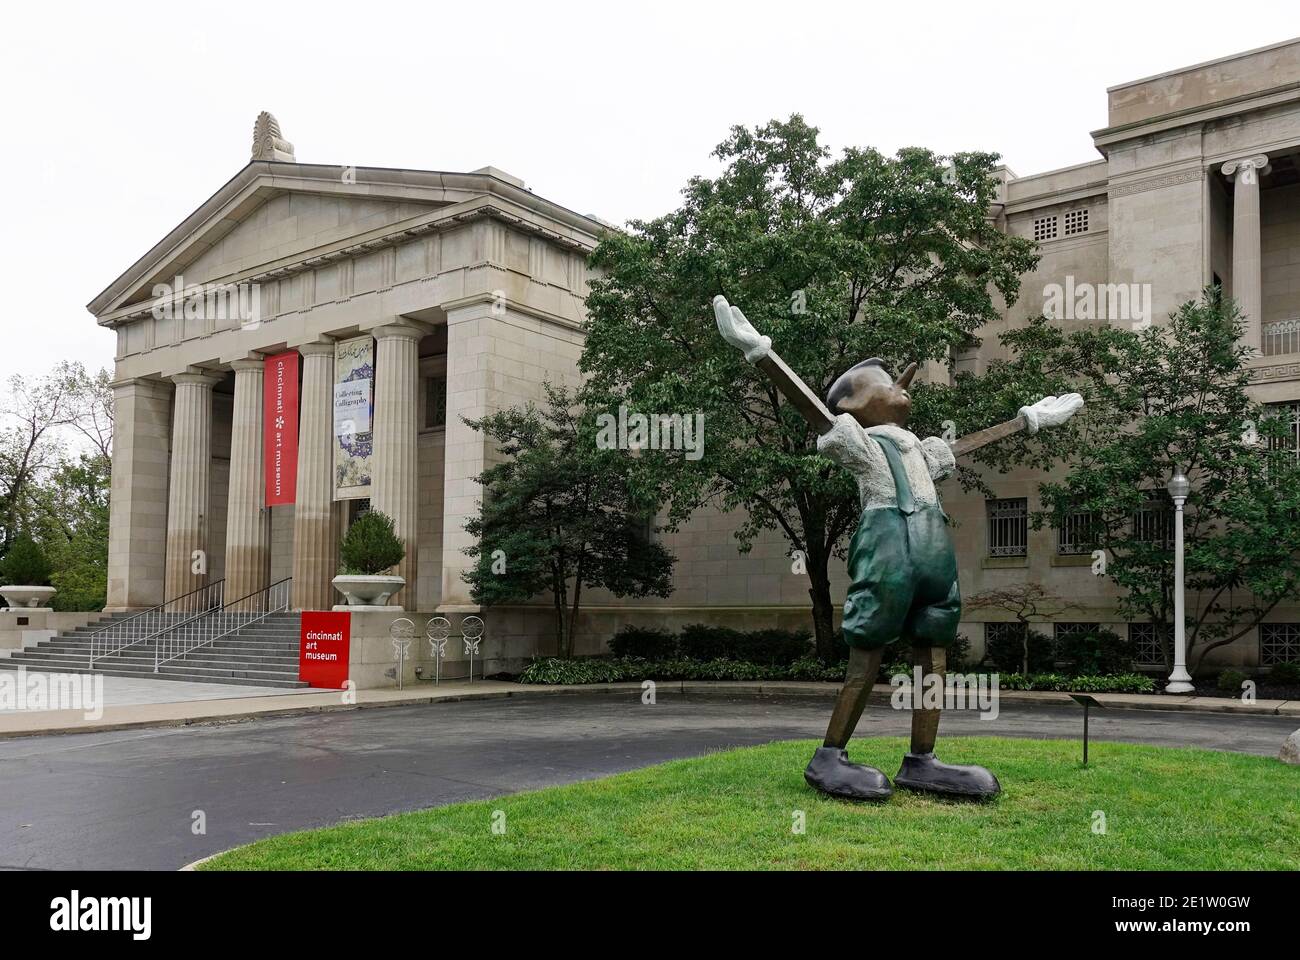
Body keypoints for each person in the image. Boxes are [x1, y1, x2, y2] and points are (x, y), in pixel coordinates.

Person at [714, 295, 1083, 800]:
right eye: (885, 383)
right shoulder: (859, 442)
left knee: (933, 652)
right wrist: (761, 354)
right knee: (869, 649)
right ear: (851, 405)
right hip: (887, 550)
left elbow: (964, 446)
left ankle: (922, 760)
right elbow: (814, 411)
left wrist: (1029, 420)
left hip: (933, 554)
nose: (901, 383)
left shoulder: (922, 448)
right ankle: (829, 757)